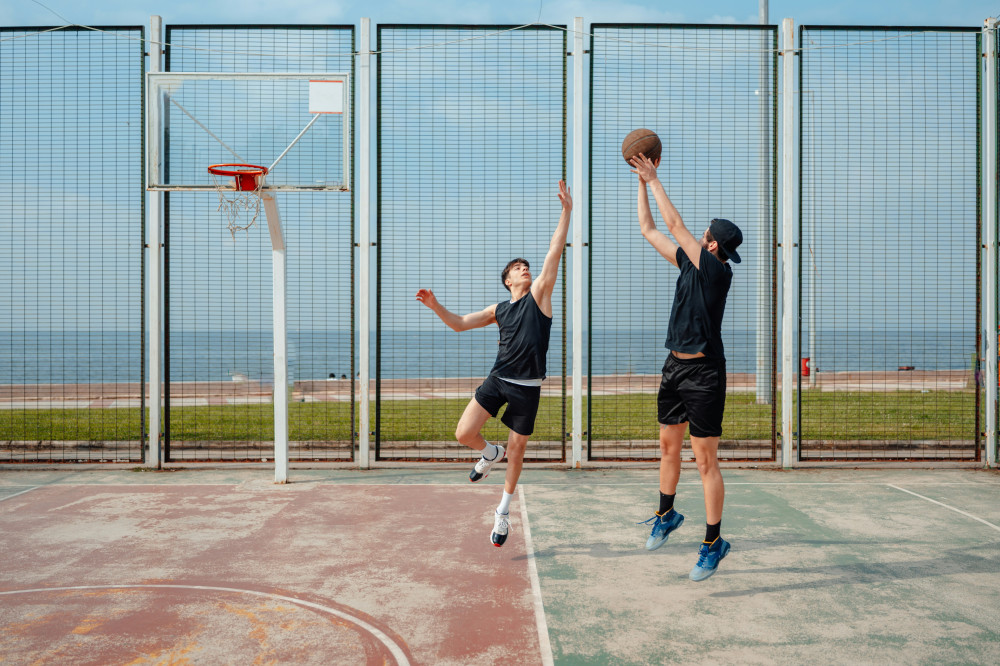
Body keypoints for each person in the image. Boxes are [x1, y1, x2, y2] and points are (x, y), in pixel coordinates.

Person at [415, 180, 572, 547]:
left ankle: (502, 512)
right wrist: (435, 305)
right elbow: (459, 324)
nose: (524, 268)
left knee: (517, 452)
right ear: (507, 280)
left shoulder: (539, 296)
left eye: (526, 266)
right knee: (463, 434)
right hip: (499, 379)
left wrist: (566, 211)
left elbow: (554, 251)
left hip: (527, 388)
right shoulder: (498, 309)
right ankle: (488, 452)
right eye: (517, 267)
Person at [629, 153, 743, 581]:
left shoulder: (716, 272)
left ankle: (714, 542)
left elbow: (674, 224)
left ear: (711, 245)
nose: (699, 233)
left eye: (706, 233)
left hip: (705, 375)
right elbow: (649, 229)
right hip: (674, 368)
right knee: (667, 448)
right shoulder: (689, 264)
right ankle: (666, 515)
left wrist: (655, 178)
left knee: (705, 461)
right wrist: (641, 182)